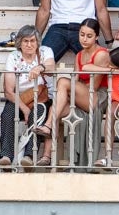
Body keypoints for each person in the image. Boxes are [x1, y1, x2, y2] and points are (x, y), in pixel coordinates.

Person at [46, 17, 109, 147]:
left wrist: (71, 93)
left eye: (89, 36)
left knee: (63, 81)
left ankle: (47, 125)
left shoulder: (101, 54)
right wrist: (68, 95)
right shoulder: (79, 54)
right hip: (82, 95)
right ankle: (49, 157)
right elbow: (76, 80)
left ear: (96, 37)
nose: (84, 39)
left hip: (98, 97)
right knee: (55, 108)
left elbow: (94, 86)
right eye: (82, 35)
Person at [0, 25, 55, 168]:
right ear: (19, 43)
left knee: (39, 114)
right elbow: (9, 91)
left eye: (32, 41)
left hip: (39, 97)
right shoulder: (13, 56)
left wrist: (40, 67)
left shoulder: (45, 51)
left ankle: (29, 156)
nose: (29, 45)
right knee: (7, 114)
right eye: (25, 41)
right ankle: (6, 155)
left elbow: (51, 67)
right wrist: (24, 109)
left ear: (38, 42)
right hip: (19, 98)